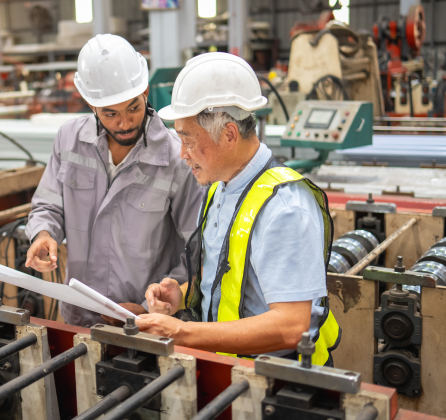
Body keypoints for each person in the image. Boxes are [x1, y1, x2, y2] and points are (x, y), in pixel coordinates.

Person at [139, 52, 341, 366]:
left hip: (279, 380)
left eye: (189, 141)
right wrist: (179, 294)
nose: (182, 154)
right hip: (231, 368)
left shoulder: (284, 208)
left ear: (230, 134)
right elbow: (226, 278)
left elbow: (292, 325)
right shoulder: (219, 186)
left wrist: (184, 332)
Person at [24, 34, 202, 328]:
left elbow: (194, 249)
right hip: (78, 314)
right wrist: (43, 233)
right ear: (91, 104)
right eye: (111, 114)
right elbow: (48, 204)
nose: (125, 122)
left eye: (133, 107)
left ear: (144, 91)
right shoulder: (69, 140)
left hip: (145, 321)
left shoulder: (175, 158)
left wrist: (152, 305)